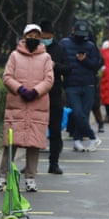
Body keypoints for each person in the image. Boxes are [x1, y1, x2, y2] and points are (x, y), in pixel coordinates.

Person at [0, 24, 54, 192]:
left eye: (36, 35)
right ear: (24, 36)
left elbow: (49, 80)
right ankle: (2, 177)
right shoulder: (14, 56)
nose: (33, 38)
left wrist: (36, 91)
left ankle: (31, 179)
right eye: (30, 35)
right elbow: (7, 77)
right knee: (10, 144)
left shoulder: (46, 58)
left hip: (37, 106)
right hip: (17, 106)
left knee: (34, 145)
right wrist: (20, 89)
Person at [60, 20, 103, 152]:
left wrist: (85, 60)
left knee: (84, 114)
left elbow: (97, 64)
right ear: (73, 30)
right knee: (77, 113)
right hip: (71, 85)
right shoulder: (64, 44)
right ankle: (93, 137)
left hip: (88, 84)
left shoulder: (90, 45)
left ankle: (77, 141)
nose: (80, 36)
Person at [40, 20, 71, 175]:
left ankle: (54, 163)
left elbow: (68, 69)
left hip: (54, 94)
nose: (45, 38)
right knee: (35, 129)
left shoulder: (59, 49)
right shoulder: (35, 49)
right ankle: (30, 163)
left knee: (55, 130)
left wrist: (55, 66)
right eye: (43, 35)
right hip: (36, 94)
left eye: (48, 35)